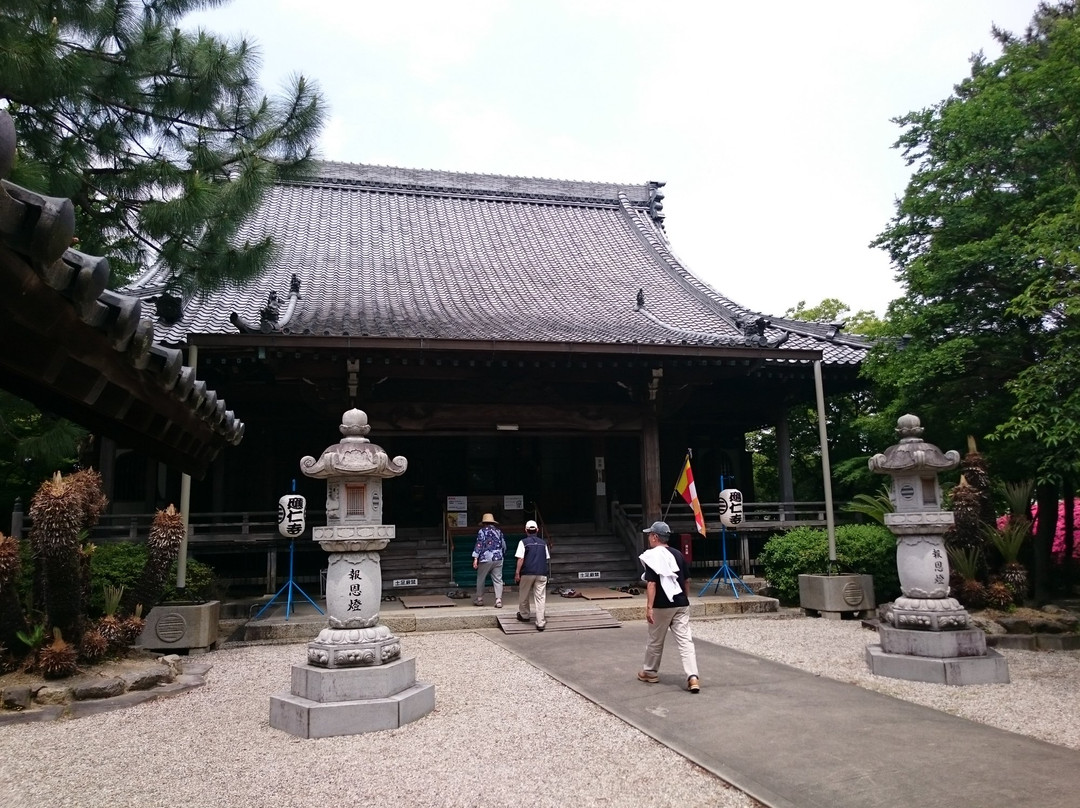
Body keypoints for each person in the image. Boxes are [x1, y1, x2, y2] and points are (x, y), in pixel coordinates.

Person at [637, 520, 700, 693]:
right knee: (685, 641)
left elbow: (651, 584)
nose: (649, 538)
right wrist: (684, 599)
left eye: (650, 535)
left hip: (662, 605)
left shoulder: (652, 555)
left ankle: (650, 672)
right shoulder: (678, 555)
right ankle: (693, 676)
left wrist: (649, 607)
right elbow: (686, 580)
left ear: (655, 537)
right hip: (680, 603)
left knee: (655, 640)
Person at [514, 519, 550, 631]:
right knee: (540, 597)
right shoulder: (543, 543)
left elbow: (520, 558)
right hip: (541, 573)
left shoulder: (523, 542)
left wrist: (517, 573)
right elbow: (546, 558)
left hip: (527, 572)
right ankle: (540, 622)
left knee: (524, 595)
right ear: (537, 530)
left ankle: (524, 615)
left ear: (526, 530)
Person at [472, 512, 506, 607]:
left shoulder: (482, 531)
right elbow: (504, 545)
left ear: (484, 523)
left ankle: (479, 599)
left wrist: (475, 558)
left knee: (481, 578)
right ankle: (498, 600)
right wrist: (502, 554)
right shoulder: (499, 532)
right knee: (498, 579)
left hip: (485, 558)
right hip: (498, 558)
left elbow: (479, 545)